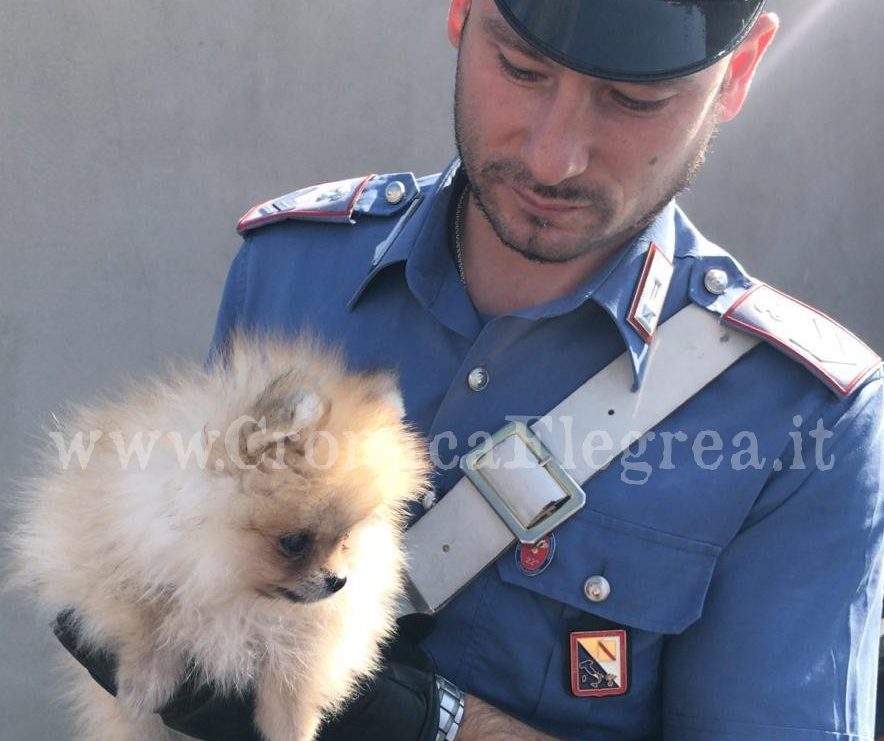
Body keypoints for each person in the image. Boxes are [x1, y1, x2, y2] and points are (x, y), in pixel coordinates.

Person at [58, 1, 884, 739]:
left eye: (636, 101)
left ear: (737, 74)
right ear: (460, 10)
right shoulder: (288, 271)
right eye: (522, 70)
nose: (557, 155)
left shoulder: (801, 420)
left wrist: (434, 727)